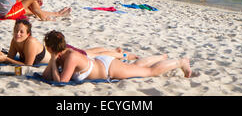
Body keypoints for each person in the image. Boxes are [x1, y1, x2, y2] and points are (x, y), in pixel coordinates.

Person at [42, 30, 193, 83]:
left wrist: (53, 61)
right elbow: (46, 76)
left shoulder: (71, 56)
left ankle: (181, 62)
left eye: (48, 49)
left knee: (149, 72)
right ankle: (161, 57)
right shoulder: (61, 54)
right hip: (102, 64)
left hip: (109, 68)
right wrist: (53, 61)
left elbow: (61, 82)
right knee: (135, 66)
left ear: (52, 49)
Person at [0, 20, 139, 66]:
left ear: (28, 34)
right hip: (63, 50)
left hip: (64, 53)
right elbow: (10, 57)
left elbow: (28, 65)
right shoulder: (14, 40)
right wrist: (1, 56)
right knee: (88, 51)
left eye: (21, 31)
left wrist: (6, 59)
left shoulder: (30, 42)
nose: (18, 33)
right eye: (16, 30)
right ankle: (111, 50)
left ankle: (121, 54)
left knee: (91, 55)